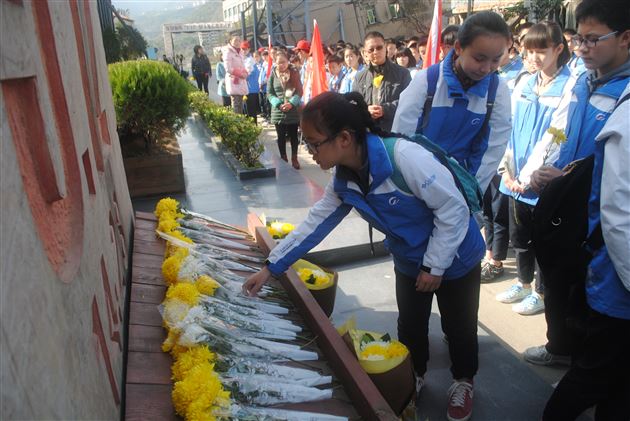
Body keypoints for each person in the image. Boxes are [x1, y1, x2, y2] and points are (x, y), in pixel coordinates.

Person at [243, 91, 486, 421]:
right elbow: (314, 224)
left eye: (314, 143)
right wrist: (271, 268)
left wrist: (435, 265)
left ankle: (463, 380)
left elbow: (453, 209)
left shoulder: (405, 159)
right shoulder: (344, 181)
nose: (310, 151)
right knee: (411, 325)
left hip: (456, 255)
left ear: (344, 138)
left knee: (459, 326)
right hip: (410, 260)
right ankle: (413, 373)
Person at [527, 4, 630, 417]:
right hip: (579, 225)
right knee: (585, 335)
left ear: (625, 38)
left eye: (593, 39)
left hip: (603, 239)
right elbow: (562, 134)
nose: (582, 48)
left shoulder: (621, 95)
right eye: (579, 38)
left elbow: (617, 207)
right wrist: (544, 170)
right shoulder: (586, 82)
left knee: (601, 366)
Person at [495, 21, 576, 316]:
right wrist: (509, 171)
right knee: (520, 238)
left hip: (540, 179)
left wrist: (527, 177)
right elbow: (508, 127)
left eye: (541, 51)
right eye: (529, 51)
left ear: (558, 49)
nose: (533, 58)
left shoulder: (569, 87)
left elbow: (555, 136)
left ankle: (541, 293)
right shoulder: (523, 83)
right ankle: (523, 282)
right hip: (515, 179)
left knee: (543, 241)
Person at [392, 11, 512, 196]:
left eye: (496, 59)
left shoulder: (497, 92)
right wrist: (413, 190)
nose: (486, 68)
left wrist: (469, 196)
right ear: (458, 48)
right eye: (479, 59)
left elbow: (492, 151)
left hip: (462, 189)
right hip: (417, 186)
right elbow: (401, 140)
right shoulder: (427, 81)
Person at [353, 31, 411, 132]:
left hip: (395, 131)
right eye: (371, 49)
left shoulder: (402, 73)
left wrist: (385, 110)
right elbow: (353, 105)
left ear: (385, 48)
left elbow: (409, 101)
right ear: (365, 53)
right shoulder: (359, 77)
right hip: (369, 134)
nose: (375, 52)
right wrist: (366, 110)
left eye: (379, 47)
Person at [267, 50, 303, 169]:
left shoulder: (294, 73)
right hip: (278, 112)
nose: (281, 65)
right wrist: (278, 104)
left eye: (283, 62)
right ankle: (283, 158)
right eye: (278, 63)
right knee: (281, 136)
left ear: (288, 61)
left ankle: (294, 158)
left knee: (293, 136)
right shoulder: (273, 74)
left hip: (292, 111)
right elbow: (269, 93)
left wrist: (291, 103)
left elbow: (299, 91)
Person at [222, 35, 248, 114]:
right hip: (234, 80)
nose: (237, 42)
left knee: (240, 103)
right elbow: (228, 68)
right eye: (235, 40)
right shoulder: (228, 52)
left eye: (239, 40)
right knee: (236, 104)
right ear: (230, 41)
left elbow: (243, 65)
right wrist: (240, 74)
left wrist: (245, 72)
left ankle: (239, 122)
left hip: (241, 80)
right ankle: (236, 123)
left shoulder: (240, 52)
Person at [244, 44, 261, 123]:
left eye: (245, 49)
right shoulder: (246, 59)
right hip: (247, 89)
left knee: (251, 111)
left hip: (251, 89)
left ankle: (253, 127)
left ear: (248, 49)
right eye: (242, 49)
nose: (243, 50)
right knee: (248, 110)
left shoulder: (250, 60)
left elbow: (246, 74)